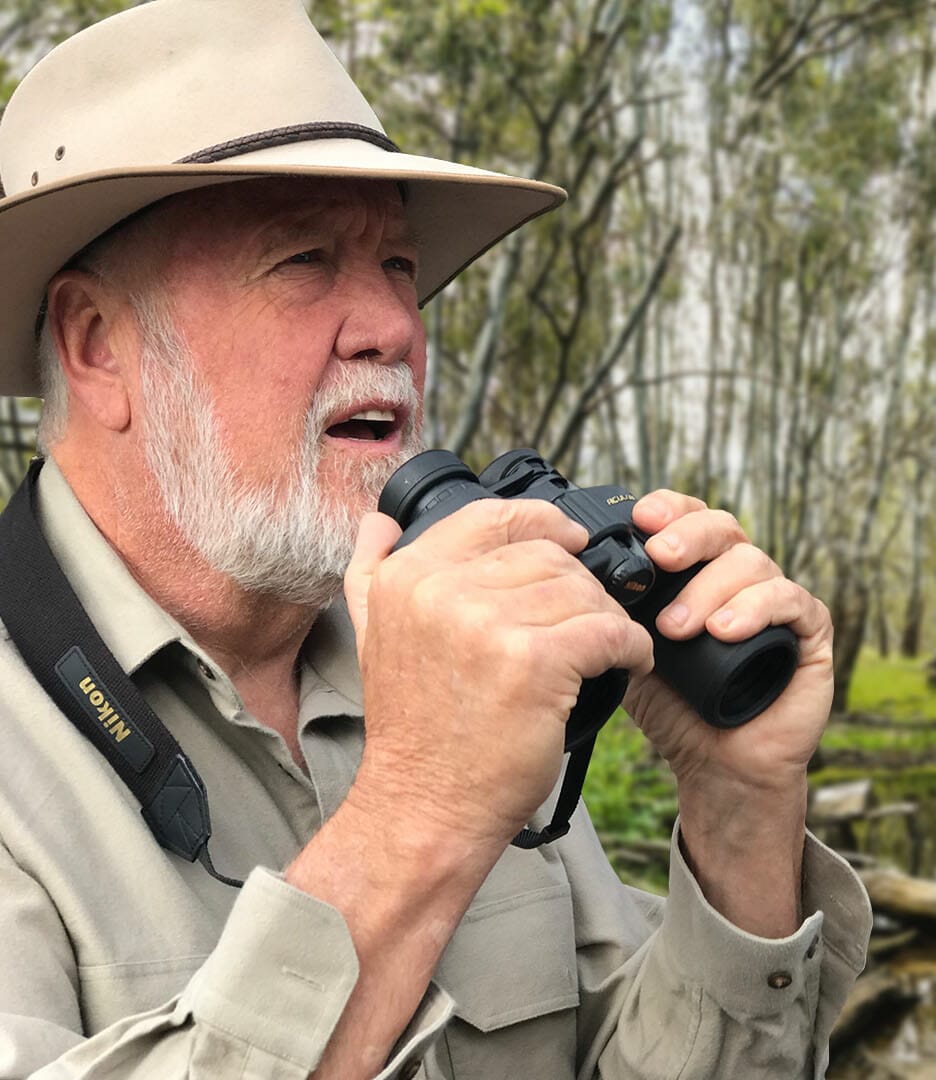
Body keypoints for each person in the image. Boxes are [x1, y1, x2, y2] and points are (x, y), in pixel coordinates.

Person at [0, 1, 871, 1078]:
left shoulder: (455, 638)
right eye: (304, 259)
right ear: (97, 345)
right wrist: (421, 812)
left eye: (400, 266)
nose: (395, 328)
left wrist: (739, 811)